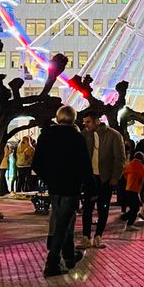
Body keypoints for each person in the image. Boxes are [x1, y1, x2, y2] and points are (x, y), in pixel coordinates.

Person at [32, 105, 92, 277]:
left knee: (63, 219)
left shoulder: (46, 136)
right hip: (71, 186)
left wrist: (49, 177)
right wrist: (89, 187)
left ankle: (68, 256)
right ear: (73, 119)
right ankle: (52, 261)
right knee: (63, 223)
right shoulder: (76, 137)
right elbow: (85, 165)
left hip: (54, 186)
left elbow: (37, 164)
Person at [80, 110, 125, 248]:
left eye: (88, 122)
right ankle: (86, 237)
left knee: (103, 207)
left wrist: (115, 177)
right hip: (90, 178)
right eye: (84, 122)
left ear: (96, 121)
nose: (86, 125)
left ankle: (98, 236)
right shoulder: (84, 135)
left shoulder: (113, 135)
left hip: (105, 178)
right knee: (87, 208)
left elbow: (120, 158)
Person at [120, 151, 144, 231]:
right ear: (142, 159)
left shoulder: (130, 164)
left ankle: (125, 218)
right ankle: (127, 222)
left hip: (128, 188)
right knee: (135, 208)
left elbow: (125, 175)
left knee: (133, 207)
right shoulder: (140, 166)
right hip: (134, 189)